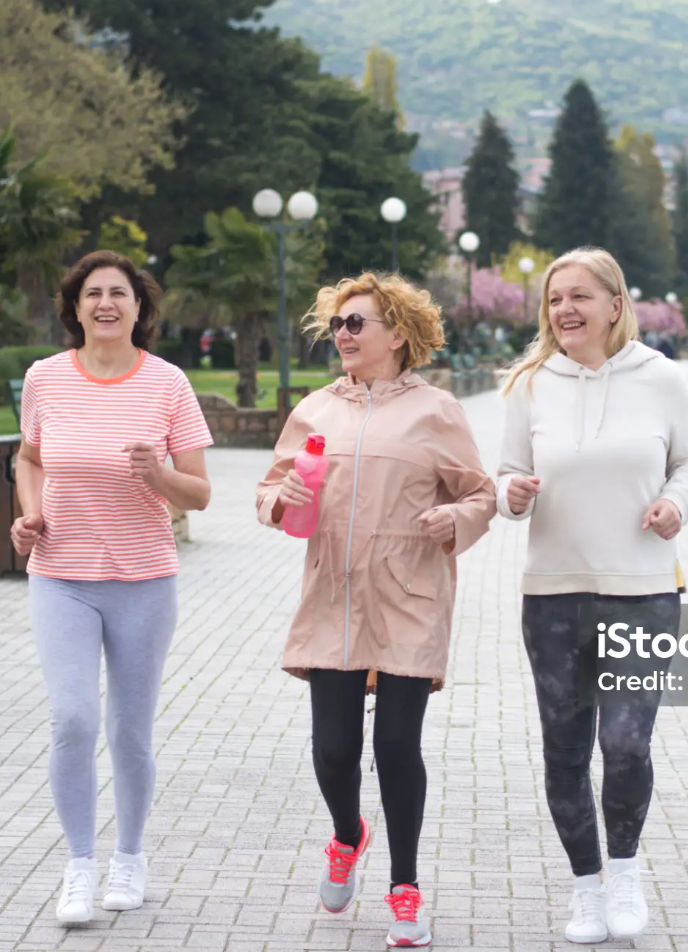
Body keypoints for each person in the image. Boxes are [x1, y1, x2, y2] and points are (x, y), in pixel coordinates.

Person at [256, 272, 496, 948]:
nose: (343, 334)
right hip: (331, 593)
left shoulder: (436, 410)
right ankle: (346, 835)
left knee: (396, 746)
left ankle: (406, 887)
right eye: (338, 324)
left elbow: (479, 494)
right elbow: (273, 485)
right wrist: (280, 503)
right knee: (334, 750)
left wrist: (456, 515)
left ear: (398, 334)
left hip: (408, 594)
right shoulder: (315, 410)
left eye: (357, 322)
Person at [496, 247, 688, 944]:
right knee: (565, 750)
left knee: (626, 745)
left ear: (617, 305)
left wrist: (677, 502)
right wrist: (512, 495)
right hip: (554, 593)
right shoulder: (529, 384)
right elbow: (507, 475)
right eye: (555, 299)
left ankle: (624, 874)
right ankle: (584, 888)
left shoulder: (661, 377)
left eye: (580, 296)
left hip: (643, 588)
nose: (565, 311)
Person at [10, 250, 213, 925]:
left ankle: (129, 855)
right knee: (73, 719)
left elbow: (202, 493)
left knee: (130, 730)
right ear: (73, 307)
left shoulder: (167, 384)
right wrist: (28, 513)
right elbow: (29, 457)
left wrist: (158, 477)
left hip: (144, 580)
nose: (105, 303)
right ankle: (79, 865)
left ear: (138, 307)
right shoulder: (44, 378)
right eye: (92, 293)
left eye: (118, 293)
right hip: (61, 576)